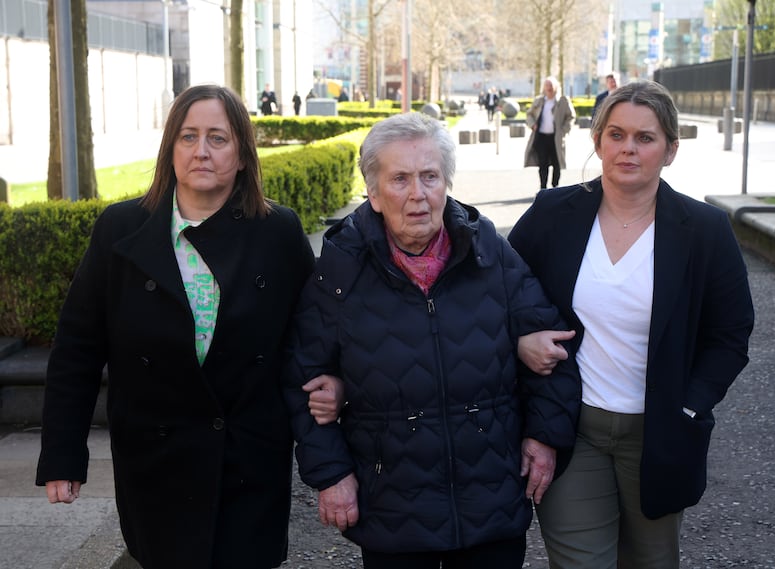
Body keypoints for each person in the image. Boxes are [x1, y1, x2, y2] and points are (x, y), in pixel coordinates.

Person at [35, 84, 337, 569]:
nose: (201, 151)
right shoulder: (119, 229)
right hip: (156, 459)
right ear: (169, 149)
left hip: (248, 458)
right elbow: (78, 348)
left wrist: (336, 386)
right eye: (188, 136)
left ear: (242, 155)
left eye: (218, 138)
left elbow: (318, 333)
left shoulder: (278, 231)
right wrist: (62, 456)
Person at [282, 112, 581, 569]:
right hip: (393, 507)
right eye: (399, 179)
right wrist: (331, 473)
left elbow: (552, 348)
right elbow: (301, 379)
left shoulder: (488, 252)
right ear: (374, 194)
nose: (418, 194)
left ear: (447, 184)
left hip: (491, 497)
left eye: (430, 176)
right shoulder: (341, 270)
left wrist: (545, 436)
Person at [508, 80, 755, 569]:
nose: (628, 148)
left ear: (670, 150)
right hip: (571, 426)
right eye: (616, 134)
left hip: (660, 430)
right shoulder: (553, 213)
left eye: (646, 137)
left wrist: (689, 404)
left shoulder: (704, 230)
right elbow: (498, 291)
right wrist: (520, 340)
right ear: (598, 141)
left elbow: (730, 332)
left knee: (650, 560)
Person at [524, 76, 575, 190]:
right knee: (543, 163)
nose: (549, 88)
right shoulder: (539, 101)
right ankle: (543, 188)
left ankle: (555, 186)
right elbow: (529, 114)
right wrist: (532, 124)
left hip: (555, 138)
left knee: (556, 163)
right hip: (541, 137)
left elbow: (571, 117)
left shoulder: (562, 101)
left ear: (556, 87)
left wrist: (564, 130)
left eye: (551, 85)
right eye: (547, 85)